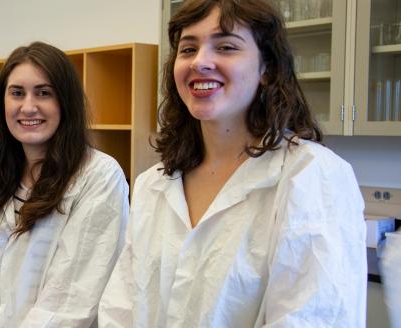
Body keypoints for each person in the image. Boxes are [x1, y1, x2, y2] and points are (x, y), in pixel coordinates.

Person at [98, 0, 367, 326]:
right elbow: (121, 310)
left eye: (225, 46)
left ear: (266, 69)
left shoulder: (312, 177)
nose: (200, 62)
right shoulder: (154, 183)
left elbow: (313, 318)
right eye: (188, 49)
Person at [0, 41, 129, 327]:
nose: (28, 106)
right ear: (3, 102)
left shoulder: (98, 176)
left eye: (44, 93)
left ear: (65, 102)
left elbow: (71, 298)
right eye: (17, 93)